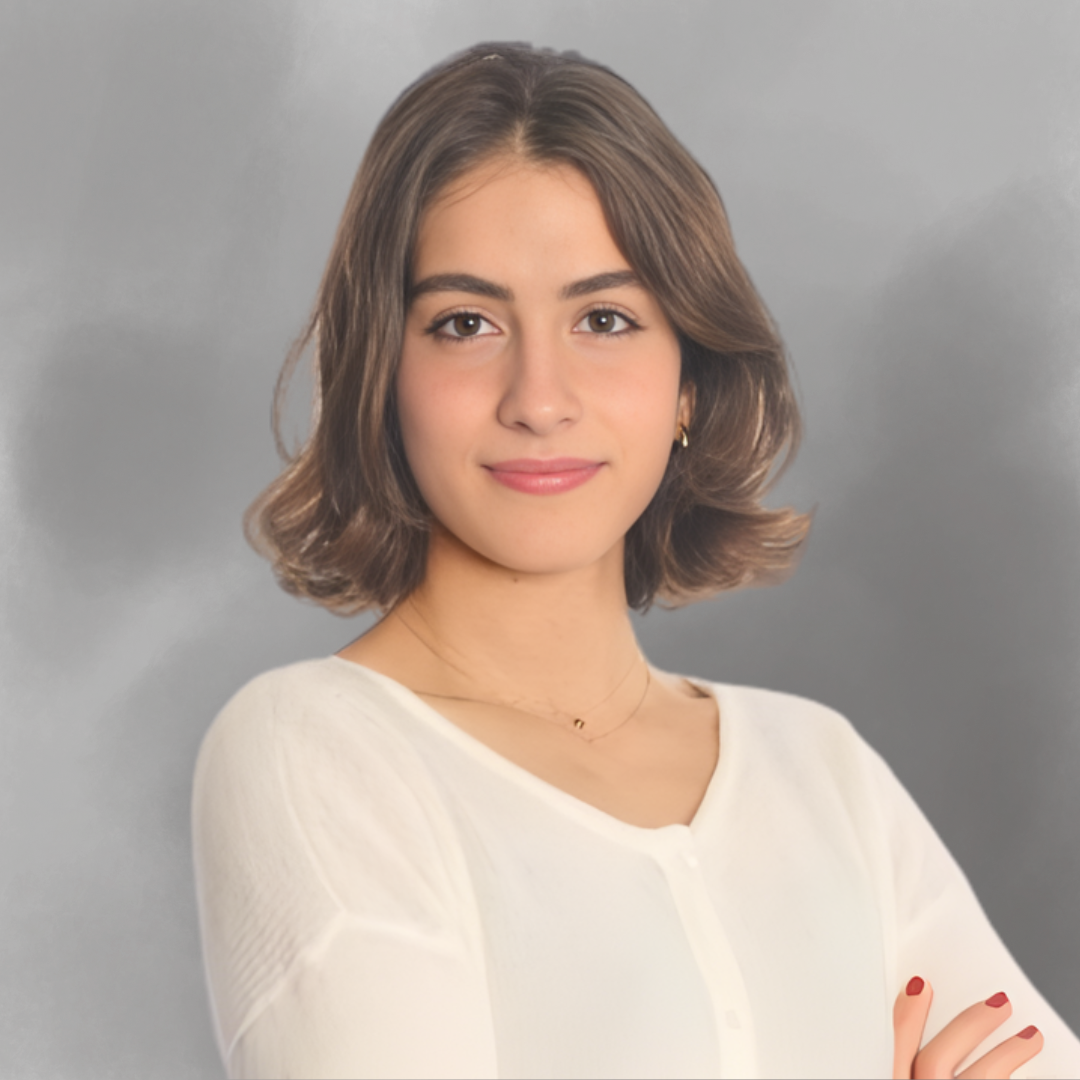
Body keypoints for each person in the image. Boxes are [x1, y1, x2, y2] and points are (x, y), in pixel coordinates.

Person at [191, 42, 1080, 1079]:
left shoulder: (823, 773)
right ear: (382, 378)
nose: (538, 395)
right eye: (465, 323)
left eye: (604, 319)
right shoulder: (314, 755)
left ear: (689, 384)